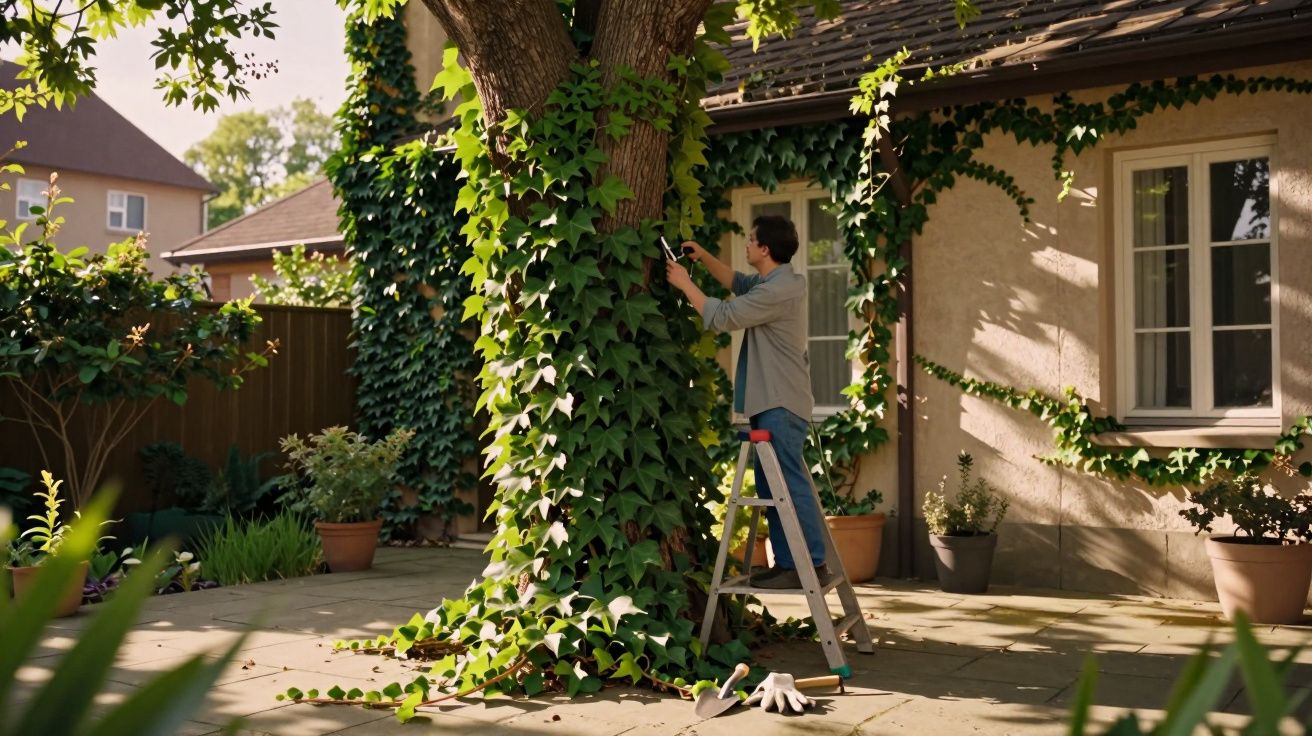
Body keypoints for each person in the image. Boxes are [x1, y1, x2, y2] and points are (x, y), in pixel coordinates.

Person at [665, 215, 828, 589]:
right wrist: (704, 256)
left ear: (766, 249)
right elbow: (738, 283)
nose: (747, 244)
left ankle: (810, 564)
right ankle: (788, 563)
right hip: (772, 399)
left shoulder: (776, 291)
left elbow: (723, 317)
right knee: (773, 489)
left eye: (752, 240)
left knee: (788, 483)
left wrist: (685, 282)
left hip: (779, 401)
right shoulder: (775, 282)